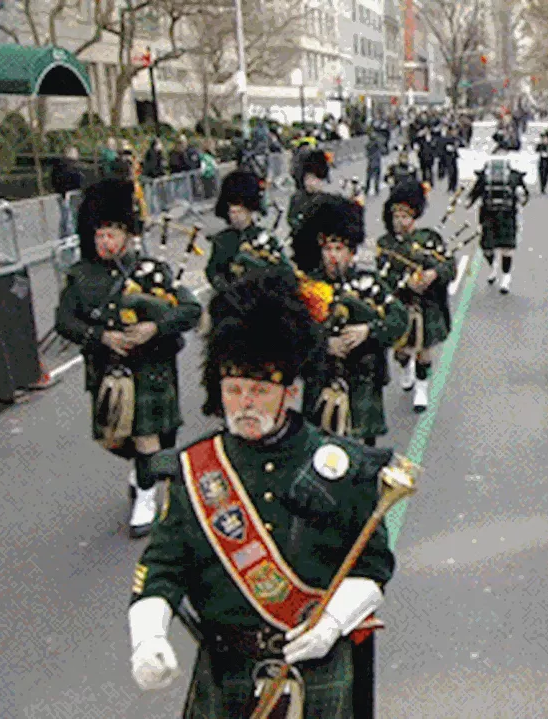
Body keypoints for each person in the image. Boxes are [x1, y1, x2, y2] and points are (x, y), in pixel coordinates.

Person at [126, 266, 396, 718]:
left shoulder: (342, 464)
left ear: (289, 391)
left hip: (316, 662)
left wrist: (331, 623)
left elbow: (374, 564)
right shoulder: (197, 469)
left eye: (258, 390)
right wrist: (149, 636)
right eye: (233, 390)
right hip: (227, 665)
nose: (245, 403)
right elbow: (163, 567)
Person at [53, 179, 203, 537]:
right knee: (111, 438)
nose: (104, 242)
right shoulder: (80, 275)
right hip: (107, 370)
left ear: (128, 234)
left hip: (150, 368)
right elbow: (64, 320)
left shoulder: (152, 270)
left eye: (111, 234)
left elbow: (190, 309)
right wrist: (101, 336)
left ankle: (147, 498)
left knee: (148, 435)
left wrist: (155, 327)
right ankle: (142, 468)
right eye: (99, 235)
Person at [300, 197, 409, 446]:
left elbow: (399, 319)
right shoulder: (308, 287)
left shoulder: (368, 282)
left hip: (364, 382)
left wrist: (368, 331)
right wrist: (324, 344)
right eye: (328, 249)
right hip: (321, 380)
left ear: (351, 254)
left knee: (363, 457)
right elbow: (291, 332)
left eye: (339, 250)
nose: (333, 256)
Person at [378, 180, 456, 412]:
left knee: (424, 350)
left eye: (405, 217)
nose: (400, 222)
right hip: (400, 305)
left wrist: (434, 274)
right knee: (400, 350)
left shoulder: (429, 238)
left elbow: (450, 266)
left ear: (414, 216)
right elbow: (382, 278)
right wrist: (404, 284)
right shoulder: (385, 244)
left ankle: (422, 389)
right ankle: (405, 369)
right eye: (396, 217)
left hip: (427, 304)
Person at [468, 158, 530, 294]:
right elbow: (474, 193)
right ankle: (493, 266)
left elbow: (524, 195)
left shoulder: (513, 177)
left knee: (507, 249)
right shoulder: (485, 178)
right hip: (489, 217)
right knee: (487, 249)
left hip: (506, 216)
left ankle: (506, 279)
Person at [205, 170, 269, 294]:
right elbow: (213, 271)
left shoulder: (263, 236)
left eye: (239, 211)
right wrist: (226, 289)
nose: (234, 216)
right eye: (232, 211)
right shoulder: (222, 240)